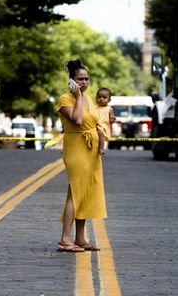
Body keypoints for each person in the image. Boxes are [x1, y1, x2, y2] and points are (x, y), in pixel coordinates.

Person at [56, 59, 107, 252]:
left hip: (91, 150)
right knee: (75, 193)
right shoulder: (66, 99)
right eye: (80, 79)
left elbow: (94, 121)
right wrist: (77, 96)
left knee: (85, 194)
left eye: (87, 79)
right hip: (76, 148)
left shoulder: (88, 99)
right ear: (72, 80)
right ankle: (65, 239)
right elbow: (77, 120)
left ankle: (79, 238)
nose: (84, 82)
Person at [96, 87, 116, 153]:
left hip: (103, 126)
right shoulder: (94, 106)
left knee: (100, 132)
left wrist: (112, 119)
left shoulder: (109, 109)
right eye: (99, 97)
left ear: (109, 100)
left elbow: (112, 117)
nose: (101, 99)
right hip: (94, 124)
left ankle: (101, 148)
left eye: (104, 97)